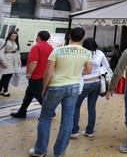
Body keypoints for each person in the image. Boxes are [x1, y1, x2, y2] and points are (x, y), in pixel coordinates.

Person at [29, 27, 92, 157]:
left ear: (69, 36)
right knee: (67, 119)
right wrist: (75, 73)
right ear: (83, 38)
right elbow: (88, 70)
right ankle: (59, 151)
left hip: (56, 86)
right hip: (74, 86)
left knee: (45, 117)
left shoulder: (57, 51)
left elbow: (48, 72)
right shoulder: (86, 53)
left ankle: (40, 150)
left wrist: (44, 88)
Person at [71, 37, 110, 139]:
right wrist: (98, 71)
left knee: (76, 106)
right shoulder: (100, 53)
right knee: (91, 108)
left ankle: (74, 130)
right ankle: (90, 131)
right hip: (96, 82)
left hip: (84, 82)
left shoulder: (82, 53)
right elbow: (107, 66)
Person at [10, 31, 54, 118]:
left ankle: (50, 112)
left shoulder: (36, 47)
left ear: (38, 37)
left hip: (35, 76)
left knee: (39, 95)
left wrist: (29, 73)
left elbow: (33, 62)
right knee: (29, 94)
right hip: (44, 75)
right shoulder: (51, 48)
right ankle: (22, 112)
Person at [0, 31, 21, 96]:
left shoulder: (15, 42)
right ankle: (4, 90)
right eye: (13, 36)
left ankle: (3, 89)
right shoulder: (4, 42)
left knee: (8, 76)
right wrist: (3, 62)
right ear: (9, 36)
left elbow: (17, 52)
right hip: (7, 59)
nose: (14, 37)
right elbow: (1, 52)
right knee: (7, 76)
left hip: (13, 60)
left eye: (15, 36)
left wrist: (19, 60)